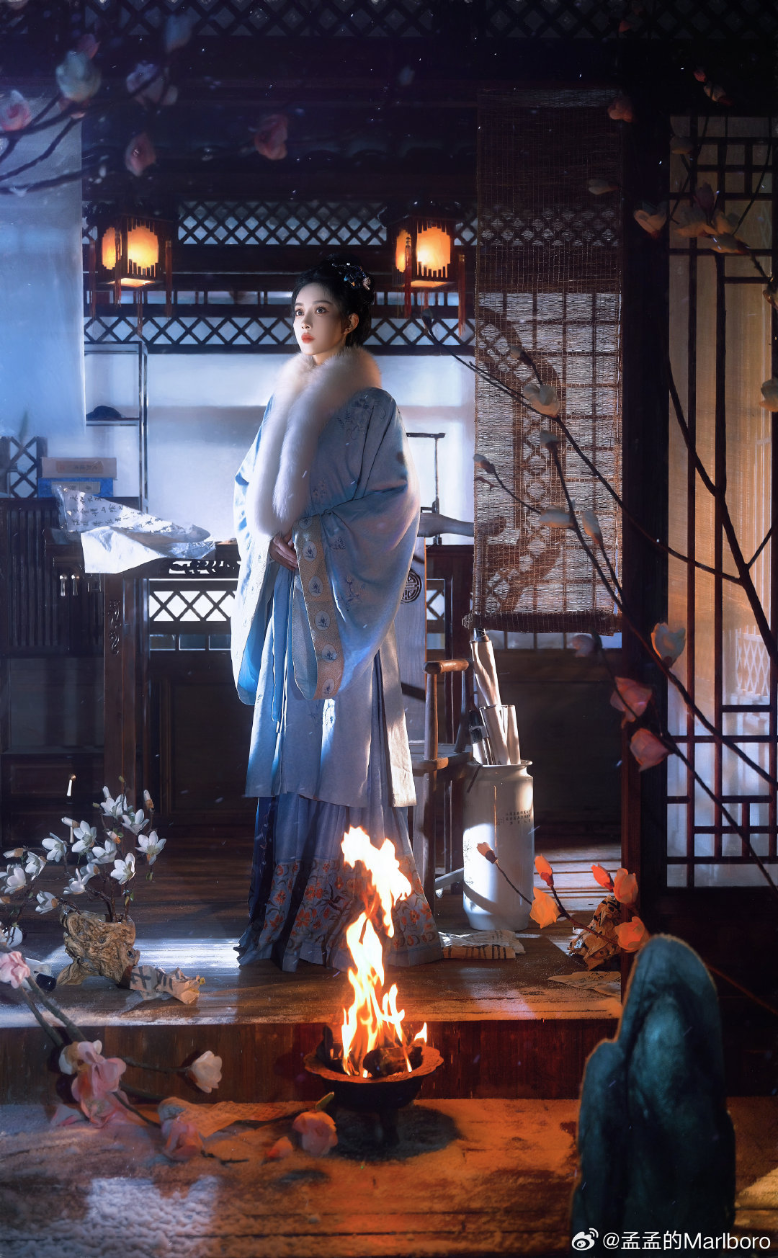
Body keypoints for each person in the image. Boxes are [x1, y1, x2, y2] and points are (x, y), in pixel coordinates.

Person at [231, 254, 442, 972]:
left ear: (350, 322)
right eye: (298, 311)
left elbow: (395, 504)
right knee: (295, 740)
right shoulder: (282, 400)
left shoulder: (374, 408)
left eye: (319, 311)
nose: (304, 323)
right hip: (291, 600)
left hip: (344, 608)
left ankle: (350, 909)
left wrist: (314, 541)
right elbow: (245, 488)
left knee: (347, 743)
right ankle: (287, 910)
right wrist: (266, 535)